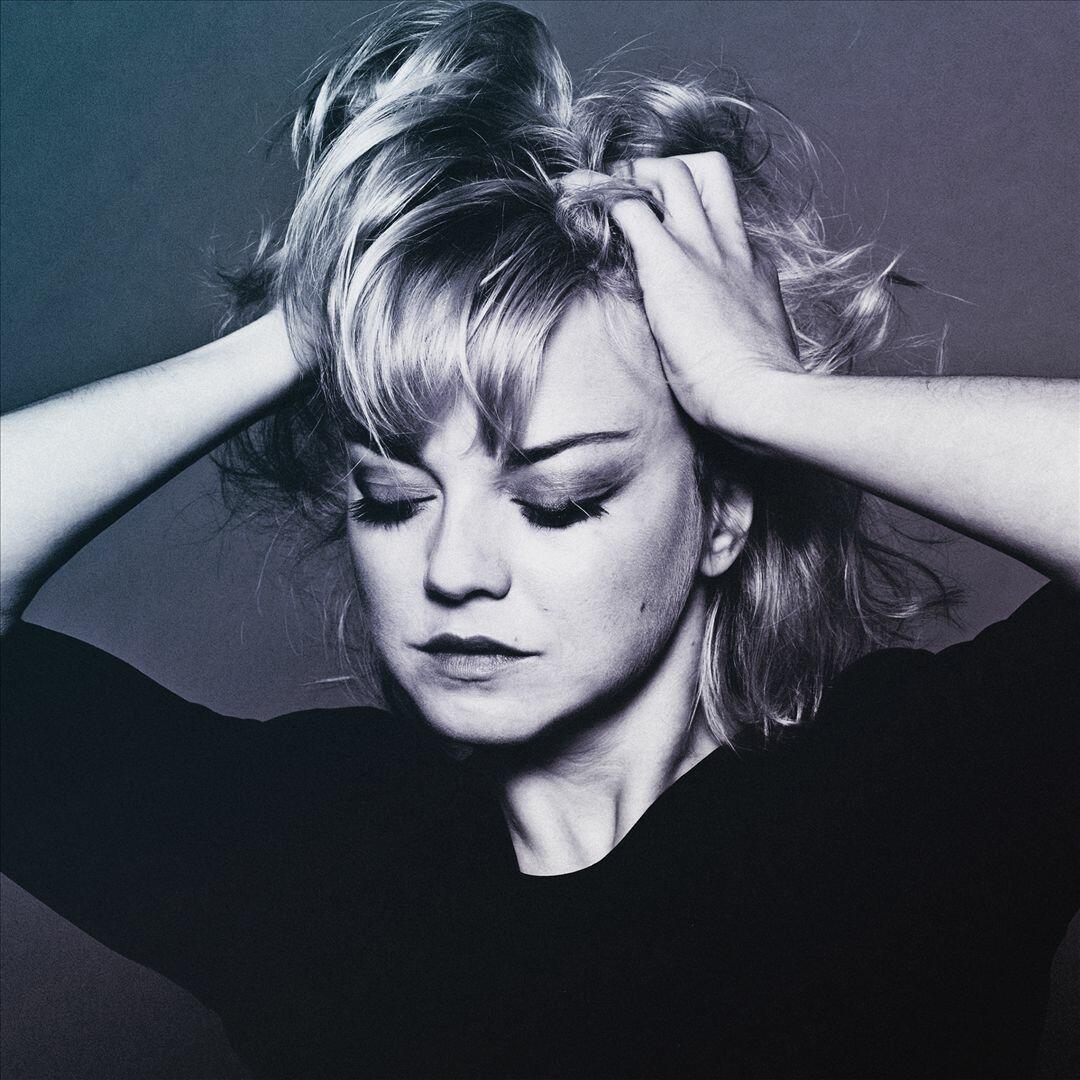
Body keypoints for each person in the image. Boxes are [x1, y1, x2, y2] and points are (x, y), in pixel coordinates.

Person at [1, 1, 1076, 1077]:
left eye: (558, 499)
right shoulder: (307, 853)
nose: (454, 571)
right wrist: (308, 322)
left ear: (724, 513)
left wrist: (762, 395)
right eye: (392, 497)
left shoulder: (924, 797)